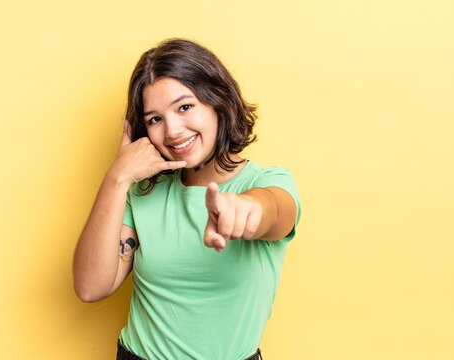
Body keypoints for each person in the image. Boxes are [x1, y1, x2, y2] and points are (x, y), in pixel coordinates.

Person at [73, 38, 301, 360]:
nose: (173, 131)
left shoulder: (267, 182)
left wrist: (245, 209)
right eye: (155, 119)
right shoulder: (143, 193)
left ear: (217, 101)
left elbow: (274, 210)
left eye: (184, 107)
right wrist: (117, 178)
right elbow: (90, 287)